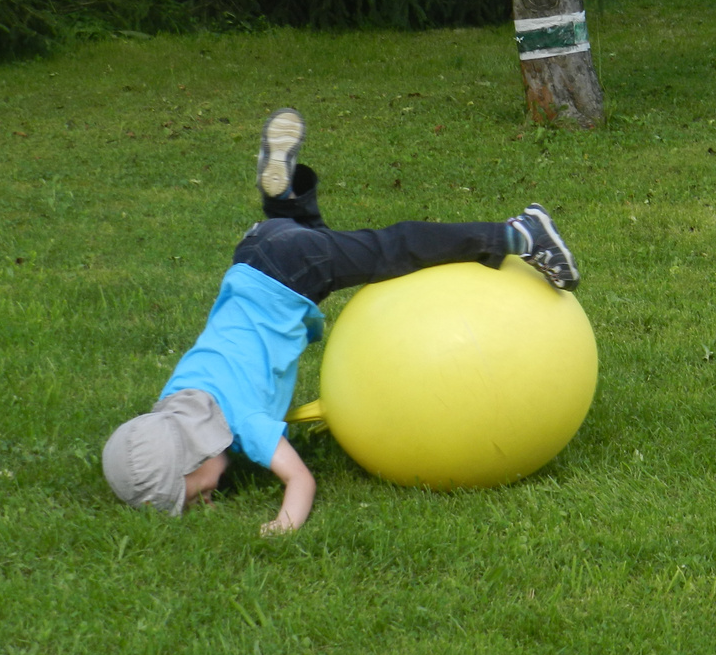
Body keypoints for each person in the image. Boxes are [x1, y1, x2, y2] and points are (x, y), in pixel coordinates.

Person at [102, 108, 582, 531]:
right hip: (254, 257)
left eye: (187, 495)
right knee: (317, 244)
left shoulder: (246, 425)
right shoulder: (179, 393)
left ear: (194, 455)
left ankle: (519, 235)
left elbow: (300, 481)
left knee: (393, 249)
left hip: (287, 272)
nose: (196, 503)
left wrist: (283, 525)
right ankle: (283, 199)